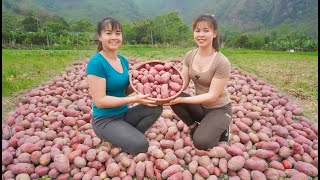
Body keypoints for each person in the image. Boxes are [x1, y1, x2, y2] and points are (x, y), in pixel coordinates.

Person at [86, 17, 163, 155]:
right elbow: (100, 101)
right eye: (109, 33)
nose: (114, 37)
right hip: (105, 120)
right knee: (141, 145)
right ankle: (124, 137)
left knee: (155, 108)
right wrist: (134, 100)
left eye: (118, 33)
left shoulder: (123, 61)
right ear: (99, 36)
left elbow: (124, 91)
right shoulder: (96, 62)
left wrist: (142, 82)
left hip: (124, 114)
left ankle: (126, 136)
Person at [164, 14, 232, 150]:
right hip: (200, 107)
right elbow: (183, 83)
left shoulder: (221, 62)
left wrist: (182, 101)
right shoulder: (190, 55)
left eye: (206, 31)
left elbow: (212, 96)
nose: (201, 34)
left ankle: (222, 128)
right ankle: (193, 126)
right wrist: (164, 86)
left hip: (218, 109)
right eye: (197, 30)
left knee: (201, 143)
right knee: (174, 96)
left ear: (214, 33)